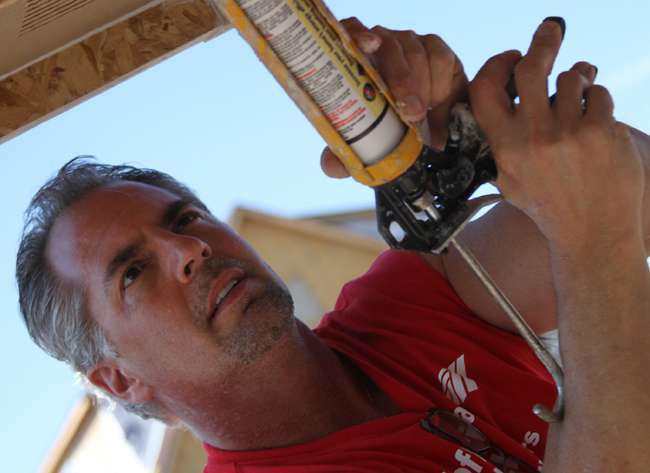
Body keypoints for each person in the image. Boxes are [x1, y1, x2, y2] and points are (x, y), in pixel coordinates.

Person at [16, 16, 650, 473]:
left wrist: (479, 143)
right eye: (131, 273)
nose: (189, 251)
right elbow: (603, 222)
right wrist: (593, 239)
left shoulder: (399, 304)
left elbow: (630, 186)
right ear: (121, 380)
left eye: (185, 220)